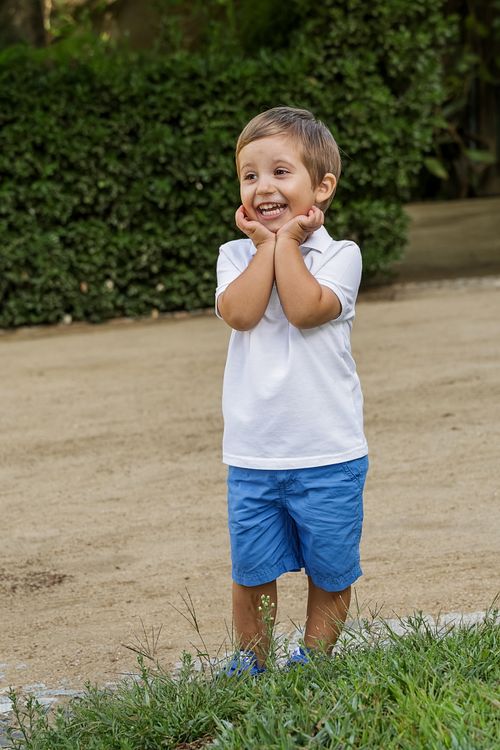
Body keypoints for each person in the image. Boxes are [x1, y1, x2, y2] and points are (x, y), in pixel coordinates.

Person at [215, 106, 369, 675]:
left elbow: (305, 309)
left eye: (280, 172)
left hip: (328, 451)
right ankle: (251, 662)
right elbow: (241, 313)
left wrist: (289, 244)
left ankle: (314, 661)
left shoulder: (340, 255)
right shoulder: (235, 255)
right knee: (252, 569)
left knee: (330, 567)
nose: (263, 187)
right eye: (249, 176)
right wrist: (265, 247)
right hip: (254, 453)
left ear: (322, 187)